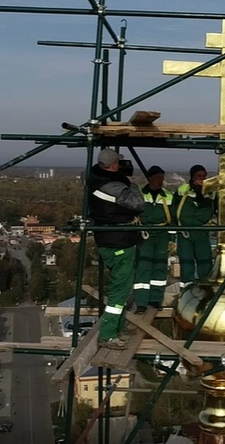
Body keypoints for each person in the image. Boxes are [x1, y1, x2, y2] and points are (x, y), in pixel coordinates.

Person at [87, 148, 145, 350]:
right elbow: (139, 204)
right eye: (118, 164)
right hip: (119, 242)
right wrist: (132, 185)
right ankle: (109, 334)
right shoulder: (112, 186)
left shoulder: (95, 179)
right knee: (119, 292)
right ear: (113, 166)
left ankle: (117, 328)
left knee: (122, 287)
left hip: (109, 240)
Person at [133, 165, 173, 312]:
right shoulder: (139, 194)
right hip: (145, 233)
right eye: (157, 178)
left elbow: (173, 218)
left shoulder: (168, 196)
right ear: (149, 178)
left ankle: (155, 300)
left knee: (160, 266)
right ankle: (142, 303)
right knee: (143, 266)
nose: (160, 181)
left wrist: (171, 239)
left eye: (162, 178)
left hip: (162, 233)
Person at [174, 164, 215, 287]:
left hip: (201, 232)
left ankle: (206, 290)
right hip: (185, 233)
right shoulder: (183, 190)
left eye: (204, 176)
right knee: (186, 263)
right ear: (192, 176)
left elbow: (211, 210)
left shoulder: (210, 191)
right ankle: (186, 290)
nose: (201, 178)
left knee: (205, 262)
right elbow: (175, 209)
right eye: (199, 176)